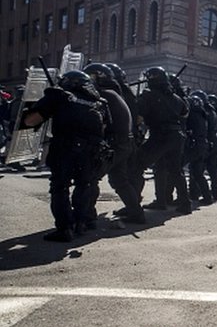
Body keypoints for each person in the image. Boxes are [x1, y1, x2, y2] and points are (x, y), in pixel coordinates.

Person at [22, 71, 110, 241]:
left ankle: (65, 229)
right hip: (92, 152)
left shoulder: (59, 95)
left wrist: (31, 109)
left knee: (60, 187)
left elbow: (31, 121)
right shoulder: (100, 102)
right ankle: (80, 223)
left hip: (66, 149)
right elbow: (105, 128)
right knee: (84, 185)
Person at [82, 63, 144, 224]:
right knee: (119, 180)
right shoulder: (117, 92)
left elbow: (98, 121)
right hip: (125, 143)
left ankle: (86, 217)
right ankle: (136, 212)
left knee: (91, 177)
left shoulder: (104, 95)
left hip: (116, 143)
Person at [137, 67, 191, 214]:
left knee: (137, 164)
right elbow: (185, 113)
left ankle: (134, 205)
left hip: (159, 135)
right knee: (175, 170)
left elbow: (139, 118)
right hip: (176, 136)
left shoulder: (148, 95)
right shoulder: (176, 98)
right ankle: (185, 203)